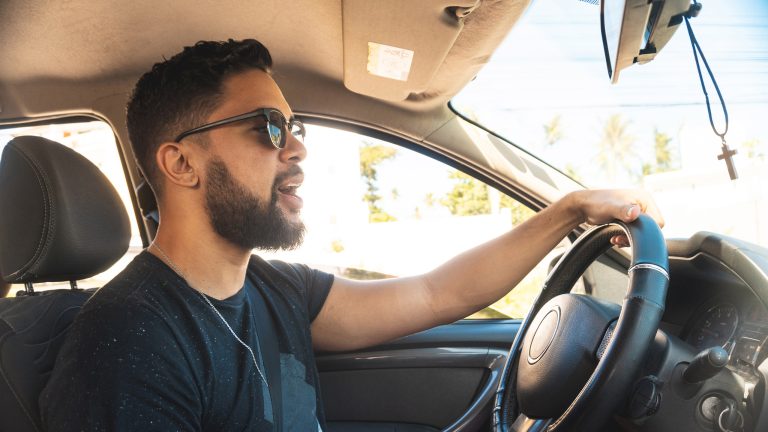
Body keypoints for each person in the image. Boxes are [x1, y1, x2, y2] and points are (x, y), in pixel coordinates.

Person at [40, 39, 663, 431]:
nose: (299, 146)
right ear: (181, 164)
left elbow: (433, 295)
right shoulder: (128, 341)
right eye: (268, 127)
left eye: (295, 124)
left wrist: (567, 212)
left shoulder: (271, 288)